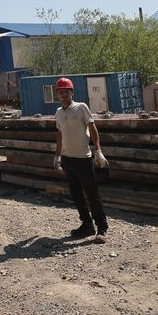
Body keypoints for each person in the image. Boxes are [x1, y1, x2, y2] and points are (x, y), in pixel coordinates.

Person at [52, 77, 109, 242]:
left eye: (66, 91)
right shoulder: (59, 112)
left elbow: (92, 128)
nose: (63, 94)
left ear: (72, 92)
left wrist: (98, 151)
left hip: (83, 159)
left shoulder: (81, 108)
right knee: (76, 194)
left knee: (92, 194)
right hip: (68, 159)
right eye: (60, 92)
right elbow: (60, 134)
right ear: (58, 94)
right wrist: (57, 156)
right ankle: (87, 226)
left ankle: (102, 228)